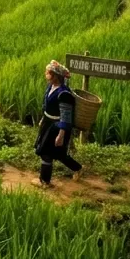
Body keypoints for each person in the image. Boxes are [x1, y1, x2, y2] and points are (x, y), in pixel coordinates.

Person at [35, 60, 83, 188]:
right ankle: (77, 168)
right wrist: (43, 119)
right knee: (57, 153)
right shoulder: (50, 87)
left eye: (48, 73)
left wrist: (61, 135)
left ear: (55, 76)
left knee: (47, 153)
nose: (46, 74)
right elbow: (47, 106)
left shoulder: (64, 93)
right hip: (48, 123)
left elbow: (66, 117)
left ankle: (44, 181)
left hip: (57, 127)